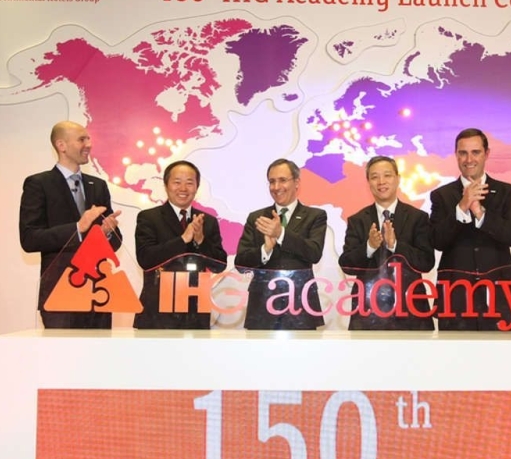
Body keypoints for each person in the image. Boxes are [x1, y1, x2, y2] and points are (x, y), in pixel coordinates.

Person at [19, 120, 122, 328]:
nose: (88, 144)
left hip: (98, 291)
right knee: (62, 349)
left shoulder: (98, 185)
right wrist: (77, 228)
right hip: (60, 291)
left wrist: (107, 233)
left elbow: (115, 243)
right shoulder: (39, 184)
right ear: (61, 145)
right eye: (81, 139)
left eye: (88, 139)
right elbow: (30, 239)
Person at [430, 128, 511, 330]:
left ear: (486, 154)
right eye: (463, 153)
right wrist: (462, 207)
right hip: (455, 296)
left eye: (475, 152)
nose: (469, 159)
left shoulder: (507, 192)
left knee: (501, 350)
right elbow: (437, 240)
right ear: (456, 155)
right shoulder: (441, 195)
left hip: (499, 295)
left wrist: (480, 213)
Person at [338, 156, 435, 330]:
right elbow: (347, 265)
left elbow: (426, 262)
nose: (381, 182)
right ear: (368, 183)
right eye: (374, 177)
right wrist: (370, 247)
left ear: (398, 179)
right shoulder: (358, 220)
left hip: (410, 310)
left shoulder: (418, 218)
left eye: (387, 175)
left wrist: (395, 245)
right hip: (368, 311)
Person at [235, 159, 328, 330]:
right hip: (262, 305)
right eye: (272, 181)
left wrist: (281, 234)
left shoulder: (315, 216)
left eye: (282, 180)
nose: (276, 187)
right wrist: (265, 250)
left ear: (297, 182)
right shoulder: (257, 218)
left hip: (300, 303)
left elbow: (314, 253)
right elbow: (241, 264)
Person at [134, 160, 228, 329]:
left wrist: (201, 241)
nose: (183, 188)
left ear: (197, 188)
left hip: (195, 312)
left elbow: (220, 265)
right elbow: (146, 259)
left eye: (189, 183)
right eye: (177, 182)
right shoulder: (149, 218)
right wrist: (183, 239)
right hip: (157, 312)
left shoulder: (208, 221)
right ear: (166, 185)